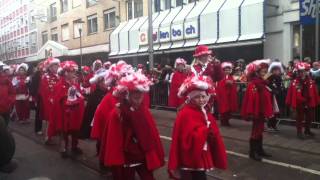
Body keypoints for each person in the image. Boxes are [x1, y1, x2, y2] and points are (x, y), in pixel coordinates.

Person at [103, 72, 164, 180]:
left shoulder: (143, 109)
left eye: (141, 92)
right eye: (135, 92)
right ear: (128, 93)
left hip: (143, 154)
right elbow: (114, 139)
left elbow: (151, 133)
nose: (138, 95)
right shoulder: (118, 112)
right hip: (127, 157)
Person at [168, 75, 227, 180]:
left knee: (200, 174)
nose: (201, 100)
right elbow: (185, 138)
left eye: (203, 97)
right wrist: (204, 130)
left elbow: (213, 133)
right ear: (191, 97)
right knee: (194, 175)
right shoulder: (185, 113)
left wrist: (211, 133)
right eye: (197, 97)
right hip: (190, 155)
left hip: (202, 152)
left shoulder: (205, 111)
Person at [48, 61, 85, 158]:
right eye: (71, 71)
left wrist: (80, 100)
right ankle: (64, 148)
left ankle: (74, 146)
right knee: (64, 131)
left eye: (74, 71)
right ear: (65, 73)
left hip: (74, 112)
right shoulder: (59, 85)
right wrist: (67, 100)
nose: (74, 74)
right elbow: (57, 100)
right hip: (65, 113)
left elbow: (79, 96)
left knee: (75, 130)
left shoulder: (75, 84)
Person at [241, 59, 273, 161]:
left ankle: (259, 150)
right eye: (263, 72)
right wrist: (253, 112)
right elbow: (252, 100)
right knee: (256, 131)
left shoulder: (262, 83)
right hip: (257, 111)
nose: (265, 73)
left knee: (260, 130)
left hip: (261, 111)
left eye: (265, 71)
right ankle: (252, 152)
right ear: (257, 73)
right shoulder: (254, 84)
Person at [286, 62, 319, 139]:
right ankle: (299, 132)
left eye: (304, 71)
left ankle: (307, 130)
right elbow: (296, 94)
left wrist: (312, 100)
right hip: (300, 103)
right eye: (301, 71)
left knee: (309, 117)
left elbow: (313, 92)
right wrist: (302, 100)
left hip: (309, 102)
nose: (303, 73)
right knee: (299, 118)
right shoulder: (295, 82)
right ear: (298, 72)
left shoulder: (310, 81)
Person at [80, 69, 108, 139]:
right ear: (99, 83)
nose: (106, 83)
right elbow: (89, 114)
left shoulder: (107, 92)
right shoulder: (94, 95)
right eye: (103, 81)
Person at [38, 58, 60, 141]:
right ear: (50, 67)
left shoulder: (58, 76)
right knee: (49, 120)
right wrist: (51, 99)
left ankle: (52, 134)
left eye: (57, 65)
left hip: (56, 101)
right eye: (55, 65)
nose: (57, 67)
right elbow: (43, 91)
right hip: (49, 102)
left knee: (54, 119)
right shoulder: (45, 77)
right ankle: (47, 137)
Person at [217, 62, 238, 126]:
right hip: (224, 96)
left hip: (229, 97)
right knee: (224, 109)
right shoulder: (221, 77)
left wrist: (231, 83)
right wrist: (225, 82)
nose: (227, 71)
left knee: (228, 110)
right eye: (226, 70)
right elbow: (219, 86)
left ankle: (227, 121)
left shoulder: (231, 77)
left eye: (228, 70)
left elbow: (234, 85)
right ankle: (223, 121)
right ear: (223, 70)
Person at [266, 61, 285, 131]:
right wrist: (272, 90)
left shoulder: (279, 77)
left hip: (277, 96)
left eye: (278, 70)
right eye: (276, 70)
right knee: (271, 111)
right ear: (272, 70)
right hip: (270, 95)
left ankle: (274, 125)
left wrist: (279, 91)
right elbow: (265, 84)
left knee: (276, 112)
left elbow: (280, 86)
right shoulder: (267, 75)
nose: (278, 71)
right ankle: (269, 125)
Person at [0, 62, 15, 126]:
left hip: (6, 108)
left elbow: (12, 93)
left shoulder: (7, 81)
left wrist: (9, 101)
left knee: (5, 127)